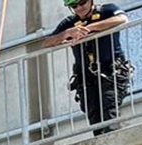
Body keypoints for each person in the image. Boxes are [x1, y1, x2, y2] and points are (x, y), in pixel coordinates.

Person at [50, 0, 132, 134]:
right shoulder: (70, 23)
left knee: (109, 108)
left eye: (82, 3)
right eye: (74, 6)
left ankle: (112, 139)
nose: (79, 8)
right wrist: (67, 33)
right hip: (86, 77)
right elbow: (47, 42)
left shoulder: (106, 11)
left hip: (110, 71)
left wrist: (90, 28)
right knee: (94, 115)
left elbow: (122, 18)